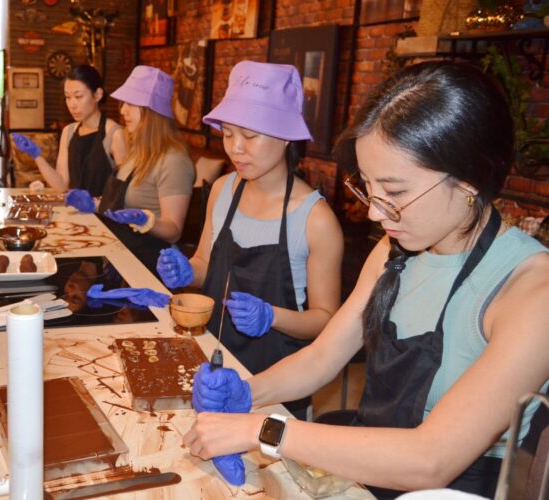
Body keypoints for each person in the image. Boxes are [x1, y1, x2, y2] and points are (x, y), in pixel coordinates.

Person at [182, 61, 549, 497]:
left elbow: (430, 461)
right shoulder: (396, 249)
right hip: (366, 465)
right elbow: (322, 359)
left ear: (469, 181)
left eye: (394, 193)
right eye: (368, 188)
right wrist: (246, 392)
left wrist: (265, 429)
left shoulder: (531, 292)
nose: (375, 213)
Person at [156, 61, 343, 420]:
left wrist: (272, 316)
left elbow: (325, 320)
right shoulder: (223, 190)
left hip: (277, 390)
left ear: (286, 136)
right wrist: (184, 271)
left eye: (250, 135)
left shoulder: (314, 220)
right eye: (227, 133)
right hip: (211, 367)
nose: (236, 149)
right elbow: (205, 266)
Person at [65, 65, 195, 273]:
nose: (123, 110)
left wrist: (147, 221)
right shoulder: (137, 152)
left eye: (131, 104)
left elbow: (174, 231)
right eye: (123, 103)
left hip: (148, 265)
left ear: (153, 111)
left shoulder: (174, 160)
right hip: (119, 258)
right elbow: (121, 206)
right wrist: (95, 204)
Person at [11, 64, 127, 196]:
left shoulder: (114, 134)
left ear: (98, 95)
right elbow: (61, 185)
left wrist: (96, 204)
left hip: (103, 215)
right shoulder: (69, 131)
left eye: (78, 97)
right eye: (68, 97)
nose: (72, 104)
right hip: (76, 213)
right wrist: (37, 156)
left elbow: (124, 191)